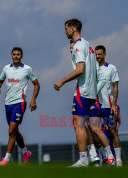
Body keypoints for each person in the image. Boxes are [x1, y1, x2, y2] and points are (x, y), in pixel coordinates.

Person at [54, 19, 115, 167]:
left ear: (73, 29)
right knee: (91, 127)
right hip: (90, 92)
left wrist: (61, 81)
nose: (65, 31)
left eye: (66, 28)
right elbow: (92, 70)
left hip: (83, 91)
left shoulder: (78, 46)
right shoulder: (88, 45)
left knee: (79, 124)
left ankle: (83, 159)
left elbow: (80, 69)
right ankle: (104, 156)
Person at [0, 47, 40, 166]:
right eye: (14, 54)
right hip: (7, 103)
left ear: (21, 56)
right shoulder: (6, 68)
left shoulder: (27, 69)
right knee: (14, 131)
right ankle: (25, 152)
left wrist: (33, 99)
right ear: (11, 56)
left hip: (20, 103)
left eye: (18, 54)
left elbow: (36, 84)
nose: (16, 56)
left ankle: (6, 159)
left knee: (11, 130)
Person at [93, 45, 122, 166]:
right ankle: (105, 156)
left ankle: (118, 160)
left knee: (112, 131)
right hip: (94, 105)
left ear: (104, 54)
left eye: (100, 54)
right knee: (93, 131)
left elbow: (115, 86)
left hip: (107, 105)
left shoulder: (111, 68)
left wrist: (114, 104)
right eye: (96, 54)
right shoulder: (92, 68)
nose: (97, 56)